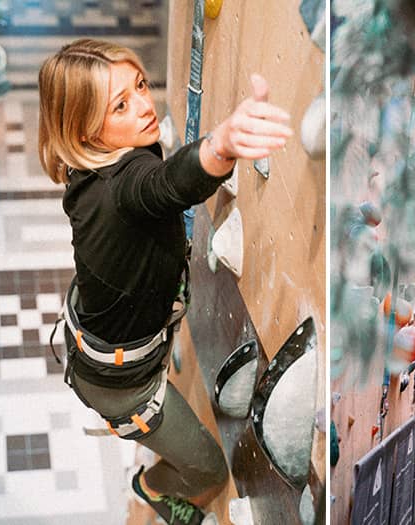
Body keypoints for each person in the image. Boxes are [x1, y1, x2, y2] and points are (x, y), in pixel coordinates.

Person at [37, 39, 293, 525]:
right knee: (209, 472)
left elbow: (158, 183)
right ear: (86, 128)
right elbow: (162, 186)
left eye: (138, 86)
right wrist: (219, 147)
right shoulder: (123, 189)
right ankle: (149, 485)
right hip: (125, 387)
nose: (144, 106)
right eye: (120, 105)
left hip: (104, 344)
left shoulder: (90, 171)